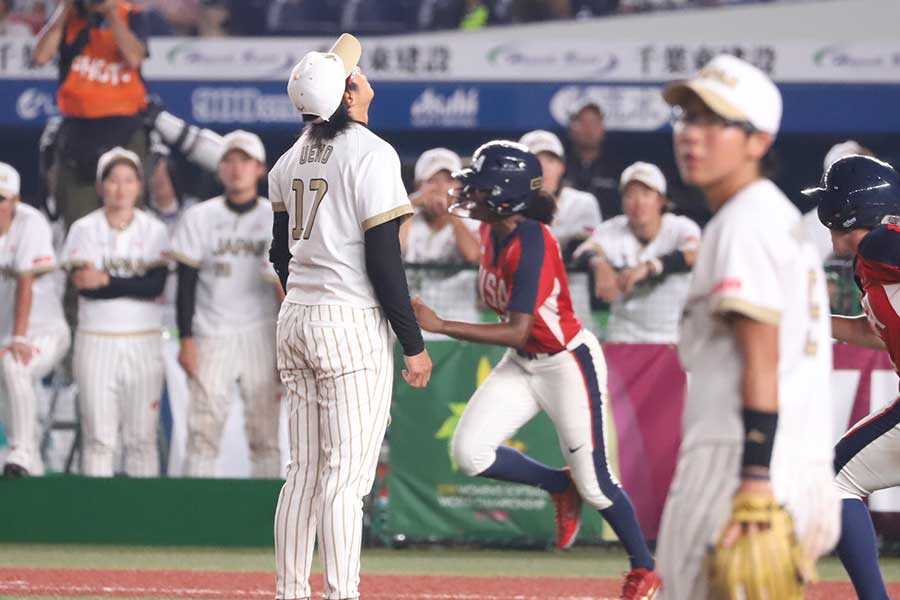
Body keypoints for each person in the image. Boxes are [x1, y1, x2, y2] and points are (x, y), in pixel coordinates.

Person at [412, 140, 661, 599]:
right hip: (524, 362)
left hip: (563, 360)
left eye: (481, 188)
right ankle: (556, 485)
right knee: (471, 453)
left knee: (597, 481)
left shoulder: (532, 240)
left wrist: (441, 324)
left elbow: (517, 329)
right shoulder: (492, 222)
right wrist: (416, 199)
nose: (471, 195)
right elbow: (436, 198)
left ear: (506, 197)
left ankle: (645, 568)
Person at [654, 55, 840, 598]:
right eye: (687, 118)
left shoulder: (743, 225)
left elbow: (759, 356)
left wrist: (754, 479)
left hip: (740, 465)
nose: (693, 135)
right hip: (793, 463)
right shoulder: (772, 217)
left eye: (715, 121)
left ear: (758, 141)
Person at [268, 33, 432, 600]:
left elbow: (278, 255)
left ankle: (291, 592)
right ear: (345, 95)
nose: (358, 76)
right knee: (344, 480)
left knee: (305, 473)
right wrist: (413, 344)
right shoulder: (373, 152)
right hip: (348, 322)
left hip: (297, 316)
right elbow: (386, 262)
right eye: (349, 77)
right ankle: (341, 593)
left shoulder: (289, 158)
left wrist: (305, 298)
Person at [804, 154, 900, 600]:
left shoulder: (881, 242)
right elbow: (875, 333)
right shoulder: (871, 262)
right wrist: (807, 320)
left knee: (834, 480)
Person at [173, 130, 283, 479]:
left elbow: (284, 288)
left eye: (245, 161)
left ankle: (267, 521)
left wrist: (286, 344)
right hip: (211, 331)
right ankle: (194, 518)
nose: (237, 169)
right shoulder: (199, 217)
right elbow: (185, 283)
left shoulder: (276, 217)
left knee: (265, 432)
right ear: (219, 168)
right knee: (202, 430)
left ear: (260, 168)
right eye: (229, 161)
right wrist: (186, 339)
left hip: (261, 332)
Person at [61, 147, 170, 477]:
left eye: (128, 180)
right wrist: (131, 281)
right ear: (100, 186)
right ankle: (96, 524)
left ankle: (143, 522)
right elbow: (84, 283)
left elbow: (154, 286)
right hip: (96, 340)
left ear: (139, 185)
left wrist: (107, 278)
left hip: (144, 341)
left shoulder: (154, 230)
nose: (120, 188)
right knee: (99, 438)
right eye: (112, 180)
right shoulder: (84, 228)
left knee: (141, 439)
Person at [32, 0, 149, 231]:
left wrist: (112, 14)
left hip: (124, 127)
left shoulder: (131, 14)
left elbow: (135, 57)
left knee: (127, 214)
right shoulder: (67, 17)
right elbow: (41, 57)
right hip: (79, 130)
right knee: (78, 219)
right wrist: (64, 8)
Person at [574, 161, 700, 343]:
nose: (638, 203)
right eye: (630, 195)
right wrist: (599, 264)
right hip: (623, 335)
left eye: (646, 194)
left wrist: (650, 267)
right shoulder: (612, 229)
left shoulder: (680, 227)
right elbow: (584, 250)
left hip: (673, 336)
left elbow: (695, 253)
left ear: (661, 200)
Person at [0, 162, 70, 478]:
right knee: (13, 415)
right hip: (6, 336)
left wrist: (19, 338)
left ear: (15, 200)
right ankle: (29, 469)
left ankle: (23, 452)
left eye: (2, 199)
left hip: (44, 332)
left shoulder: (31, 222)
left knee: (15, 365)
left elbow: (25, 281)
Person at [518, 129, 601, 260]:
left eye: (550, 160)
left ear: (561, 167)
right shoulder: (507, 205)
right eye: (535, 161)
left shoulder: (582, 202)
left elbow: (581, 250)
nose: (543, 168)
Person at [400, 147, 479, 264]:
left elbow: (473, 256)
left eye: (449, 180)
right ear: (417, 187)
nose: (440, 188)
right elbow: (393, 254)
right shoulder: (407, 220)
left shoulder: (473, 219)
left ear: (459, 186)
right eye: (431, 180)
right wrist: (409, 204)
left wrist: (451, 213)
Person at [564, 100, 622, 220]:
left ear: (603, 129)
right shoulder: (560, 167)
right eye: (583, 123)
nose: (589, 129)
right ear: (571, 129)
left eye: (594, 122)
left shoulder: (617, 169)